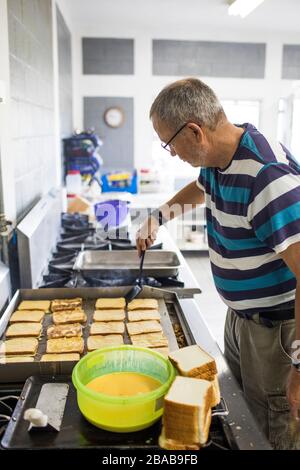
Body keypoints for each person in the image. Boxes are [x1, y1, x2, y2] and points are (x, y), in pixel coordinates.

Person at [136, 77, 300, 450]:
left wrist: (299, 366)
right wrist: (159, 217)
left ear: (194, 131)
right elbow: (202, 187)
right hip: (242, 320)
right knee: (244, 416)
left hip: (277, 333)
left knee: (272, 430)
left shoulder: (267, 177)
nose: (171, 153)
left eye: (170, 143)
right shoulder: (219, 156)